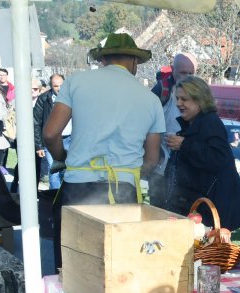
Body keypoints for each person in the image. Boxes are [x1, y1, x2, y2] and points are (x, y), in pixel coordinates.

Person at [43, 32, 165, 271]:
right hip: (123, 190)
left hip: (78, 187)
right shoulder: (150, 100)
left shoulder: (76, 82)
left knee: (72, 269)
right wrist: (129, 171)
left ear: (104, 59)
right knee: (117, 269)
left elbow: (49, 134)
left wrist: (62, 158)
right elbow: (151, 160)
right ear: (134, 62)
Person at [163, 75, 240, 231]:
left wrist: (184, 145)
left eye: (184, 99)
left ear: (199, 100)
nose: (178, 104)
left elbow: (220, 159)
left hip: (212, 209)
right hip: (200, 206)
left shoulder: (210, 123)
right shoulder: (194, 123)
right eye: (177, 98)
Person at [149, 52, 197, 207]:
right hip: (160, 170)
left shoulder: (199, 94)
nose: (187, 77)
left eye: (191, 73)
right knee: (158, 213)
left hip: (186, 172)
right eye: (183, 72)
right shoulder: (162, 90)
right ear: (173, 69)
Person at [34, 74, 68, 188]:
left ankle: (65, 198)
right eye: (55, 86)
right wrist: (39, 146)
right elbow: (37, 122)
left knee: (68, 171)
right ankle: (54, 200)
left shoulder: (73, 97)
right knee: (55, 171)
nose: (59, 88)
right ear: (51, 86)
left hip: (70, 139)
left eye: (61, 85)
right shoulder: (44, 98)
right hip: (52, 141)